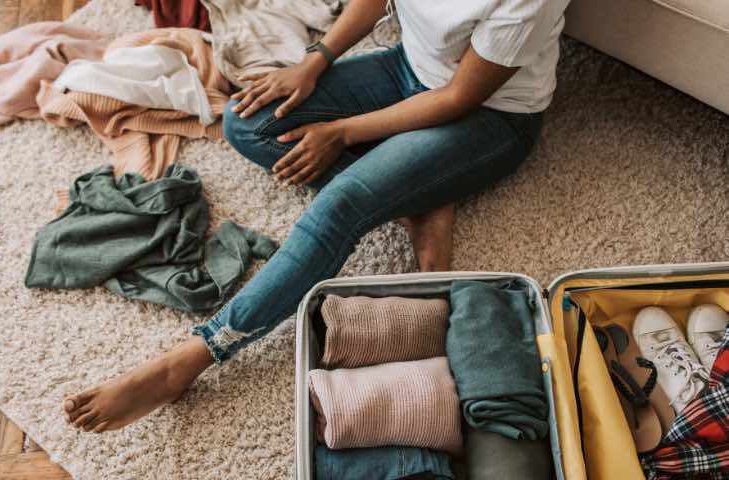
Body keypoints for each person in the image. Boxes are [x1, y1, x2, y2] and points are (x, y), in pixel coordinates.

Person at [63, 0, 569, 432]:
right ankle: (422, 196)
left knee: (343, 202)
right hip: (406, 70)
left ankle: (192, 358)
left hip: (490, 117)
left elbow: (460, 95)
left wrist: (343, 132)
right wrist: (314, 60)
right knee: (249, 122)